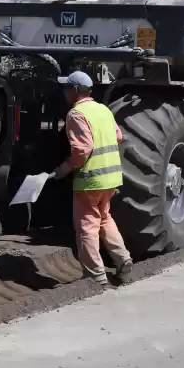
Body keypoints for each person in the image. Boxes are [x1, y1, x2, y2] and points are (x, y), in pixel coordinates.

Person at [52, 71, 134, 285]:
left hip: (90, 180)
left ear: (75, 90)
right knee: (105, 219)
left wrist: (63, 169)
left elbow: (82, 151)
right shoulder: (103, 109)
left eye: (66, 87)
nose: (64, 92)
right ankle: (123, 259)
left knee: (87, 226)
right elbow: (118, 137)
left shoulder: (76, 114)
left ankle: (95, 276)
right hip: (110, 179)